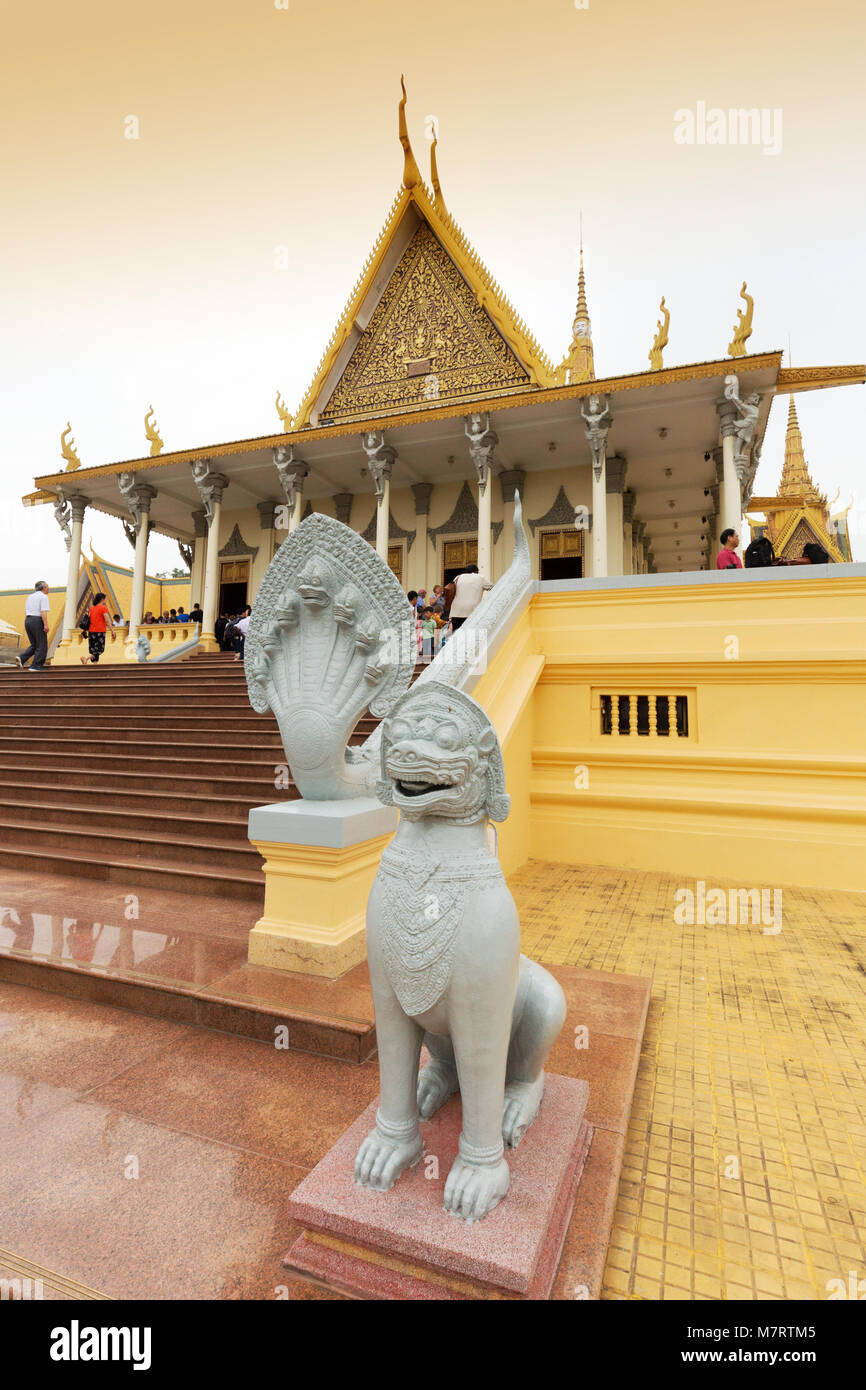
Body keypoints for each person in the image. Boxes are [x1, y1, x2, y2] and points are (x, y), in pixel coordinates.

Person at [449, 564, 492, 630]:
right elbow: (492, 587)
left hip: (456, 611)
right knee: (473, 636)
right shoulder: (480, 577)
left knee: (457, 636)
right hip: (472, 611)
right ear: (477, 571)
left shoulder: (458, 577)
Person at [20, 580, 50, 672]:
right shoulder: (43, 597)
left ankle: (21, 658)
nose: (49, 589)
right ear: (44, 588)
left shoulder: (30, 597)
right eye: (48, 587)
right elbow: (43, 612)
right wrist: (45, 624)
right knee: (42, 644)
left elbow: (26, 611)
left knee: (35, 644)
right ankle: (36, 666)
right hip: (37, 620)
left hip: (28, 620)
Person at [80, 591, 114, 666]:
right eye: (105, 599)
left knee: (93, 649)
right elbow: (107, 620)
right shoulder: (103, 608)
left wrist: (85, 630)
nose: (105, 601)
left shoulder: (91, 609)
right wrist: (112, 631)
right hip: (100, 631)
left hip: (91, 632)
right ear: (102, 599)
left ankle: (95, 666)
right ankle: (85, 658)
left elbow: (87, 621)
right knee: (100, 649)